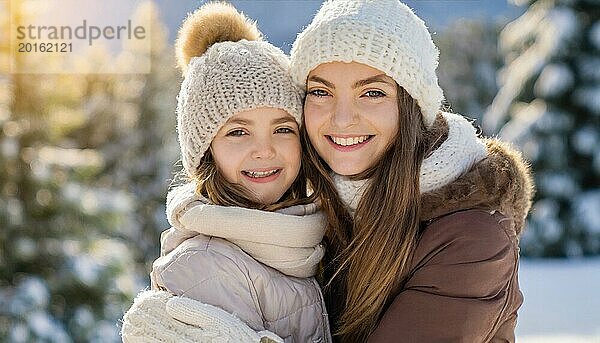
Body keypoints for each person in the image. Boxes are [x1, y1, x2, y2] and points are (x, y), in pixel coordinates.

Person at [288, 0, 535, 342]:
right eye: (320, 91)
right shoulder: (309, 206)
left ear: (411, 106)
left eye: (372, 92)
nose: (342, 119)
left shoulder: (472, 235)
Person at [120, 2, 339, 342]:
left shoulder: (306, 235)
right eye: (238, 132)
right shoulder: (205, 266)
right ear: (205, 150)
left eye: (283, 129)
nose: (265, 150)